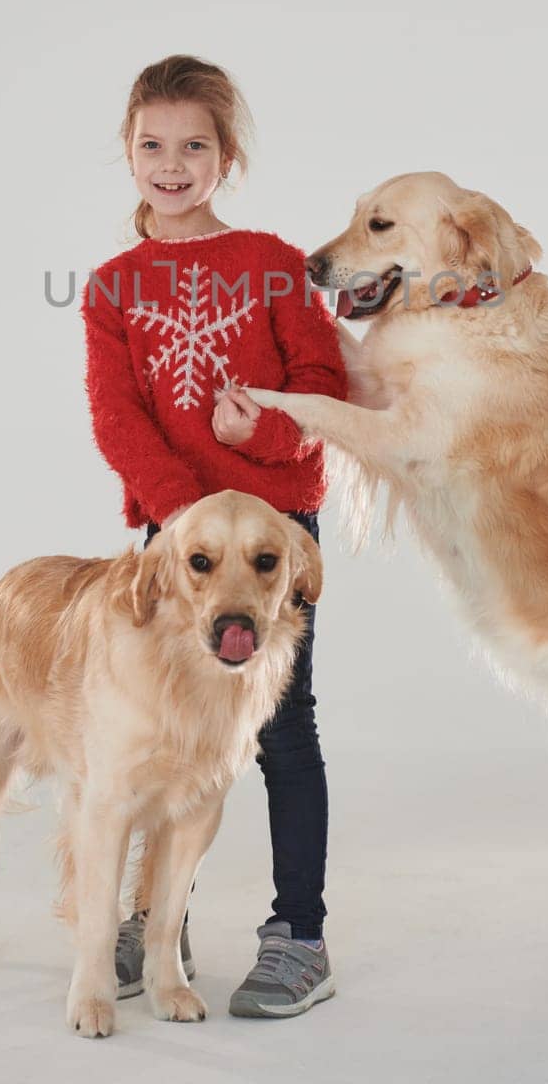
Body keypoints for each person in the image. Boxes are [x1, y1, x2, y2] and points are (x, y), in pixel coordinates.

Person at [80, 52, 347, 1018]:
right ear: (129, 151)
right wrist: (181, 523)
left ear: (225, 157)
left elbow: (323, 389)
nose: (172, 161)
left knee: (281, 729)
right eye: (152, 144)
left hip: (275, 536)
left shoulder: (273, 264)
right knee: (157, 724)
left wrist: (261, 431)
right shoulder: (110, 285)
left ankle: (299, 937)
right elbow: (115, 417)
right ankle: (159, 921)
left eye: (195, 144)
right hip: (172, 546)